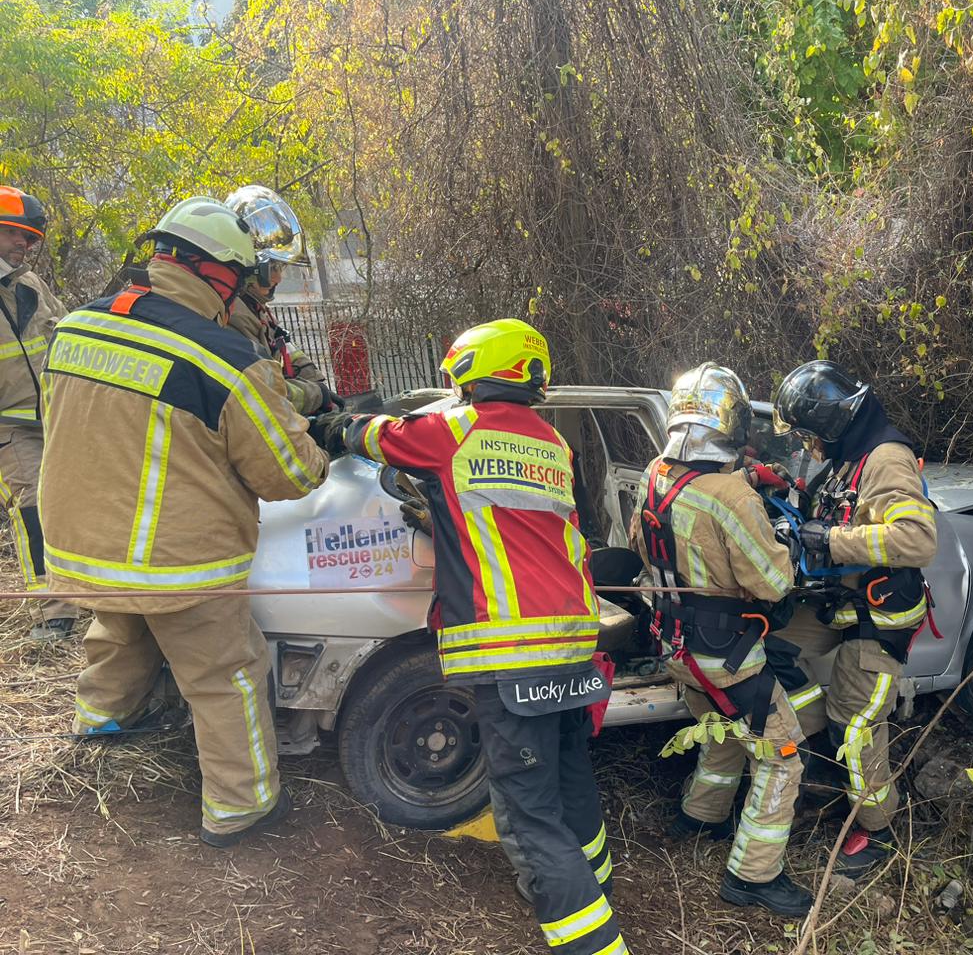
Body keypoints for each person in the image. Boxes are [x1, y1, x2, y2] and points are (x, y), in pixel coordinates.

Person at [309, 318, 628, 955]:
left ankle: (591, 941)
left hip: (510, 653)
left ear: (471, 372)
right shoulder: (552, 444)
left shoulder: (453, 430)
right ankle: (592, 881)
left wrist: (327, 419)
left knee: (527, 812)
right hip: (572, 642)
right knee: (569, 779)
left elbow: (369, 436)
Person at [39, 196, 329, 846]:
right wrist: (323, 444)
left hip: (83, 547)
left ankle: (99, 726)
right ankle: (241, 807)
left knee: (119, 631)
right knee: (226, 674)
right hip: (175, 563)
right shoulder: (222, 356)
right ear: (222, 274)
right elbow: (289, 474)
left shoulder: (76, 326)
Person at [629, 362, 812, 917]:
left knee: (724, 730)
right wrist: (784, 538)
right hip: (726, 655)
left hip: (675, 646)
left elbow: (644, 541)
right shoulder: (731, 497)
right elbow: (773, 582)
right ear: (732, 423)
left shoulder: (655, 475)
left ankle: (700, 815)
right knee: (782, 755)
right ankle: (753, 876)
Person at [772, 360, 937, 877]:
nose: (808, 445)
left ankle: (878, 829)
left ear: (831, 424)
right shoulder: (850, 460)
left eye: (809, 435)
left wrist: (833, 540)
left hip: (880, 615)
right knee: (766, 644)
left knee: (858, 727)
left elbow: (918, 539)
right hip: (839, 604)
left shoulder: (886, 458)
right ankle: (820, 747)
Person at [0, 185, 79, 640]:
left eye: (28, 237)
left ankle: (92, 589)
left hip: (56, 417)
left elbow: (67, 335)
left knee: (75, 502)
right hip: (9, 429)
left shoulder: (30, 284)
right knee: (32, 505)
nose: (23, 244)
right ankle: (53, 613)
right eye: (13, 233)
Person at [224, 185, 340, 414]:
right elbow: (268, 396)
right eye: (271, 269)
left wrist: (317, 382)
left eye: (281, 268)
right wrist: (316, 395)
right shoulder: (234, 317)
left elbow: (286, 350)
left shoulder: (256, 309)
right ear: (247, 267)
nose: (278, 278)